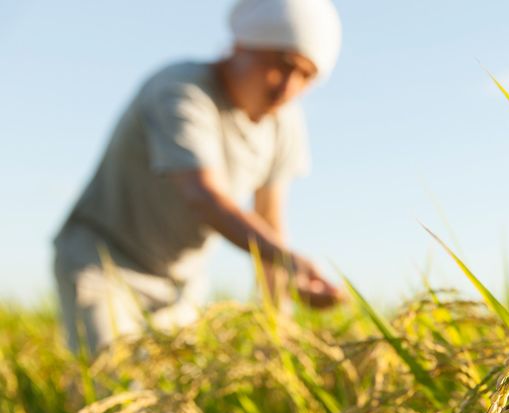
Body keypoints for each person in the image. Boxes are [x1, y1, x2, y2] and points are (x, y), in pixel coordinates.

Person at [53, 0, 346, 356]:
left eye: (306, 76)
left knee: (177, 400)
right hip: (105, 263)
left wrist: (277, 327)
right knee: (111, 386)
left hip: (181, 282)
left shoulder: (284, 124)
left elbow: (270, 222)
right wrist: (292, 260)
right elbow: (202, 196)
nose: (289, 87)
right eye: (282, 65)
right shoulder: (181, 91)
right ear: (242, 45)